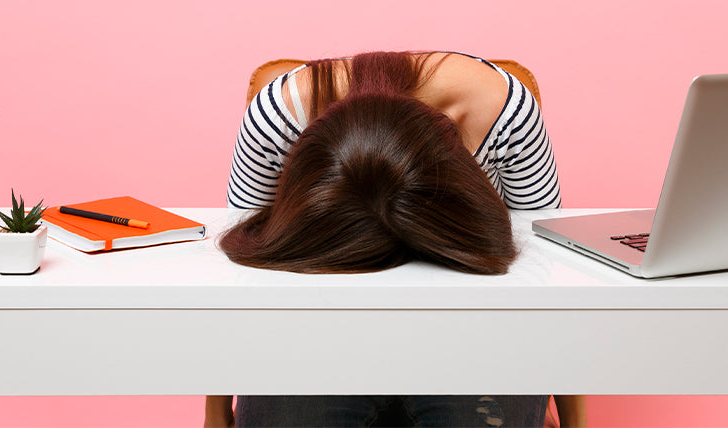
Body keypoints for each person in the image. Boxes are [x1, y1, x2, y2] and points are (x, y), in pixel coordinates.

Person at [207, 51, 576, 427]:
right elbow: (242, 272)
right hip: (317, 333)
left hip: (474, 333)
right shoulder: (277, 121)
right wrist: (214, 413)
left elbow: (547, 267)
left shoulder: (505, 115)